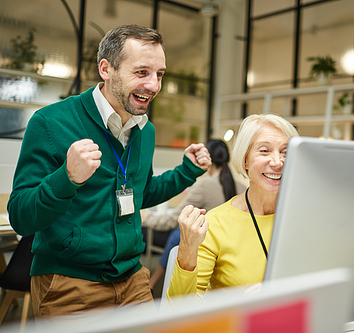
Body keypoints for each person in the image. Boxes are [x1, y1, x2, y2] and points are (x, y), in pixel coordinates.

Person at [7, 24, 211, 319]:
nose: (154, 85)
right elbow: (21, 218)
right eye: (141, 73)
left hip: (133, 279)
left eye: (159, 75)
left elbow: (141, 192)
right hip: (69, 284)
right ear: (106, 69)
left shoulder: (145, 130)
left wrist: (187, 171)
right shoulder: (51, 123)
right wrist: (67, 178)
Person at [167, 114, 299, 298]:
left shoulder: (303, 217)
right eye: (264, 151)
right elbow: (180, 311)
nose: (277, 162)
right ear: (245, 160)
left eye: (285, 152)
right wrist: (187, 250)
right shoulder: (215, 224)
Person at [142, 139, 246, 291]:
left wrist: (146, 218)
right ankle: (154, 281)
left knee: (176, 234)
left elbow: (172, 221)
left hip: (208, 242)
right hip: (236, 242)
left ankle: (153, 282)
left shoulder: (204, 185)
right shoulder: (242, 187)